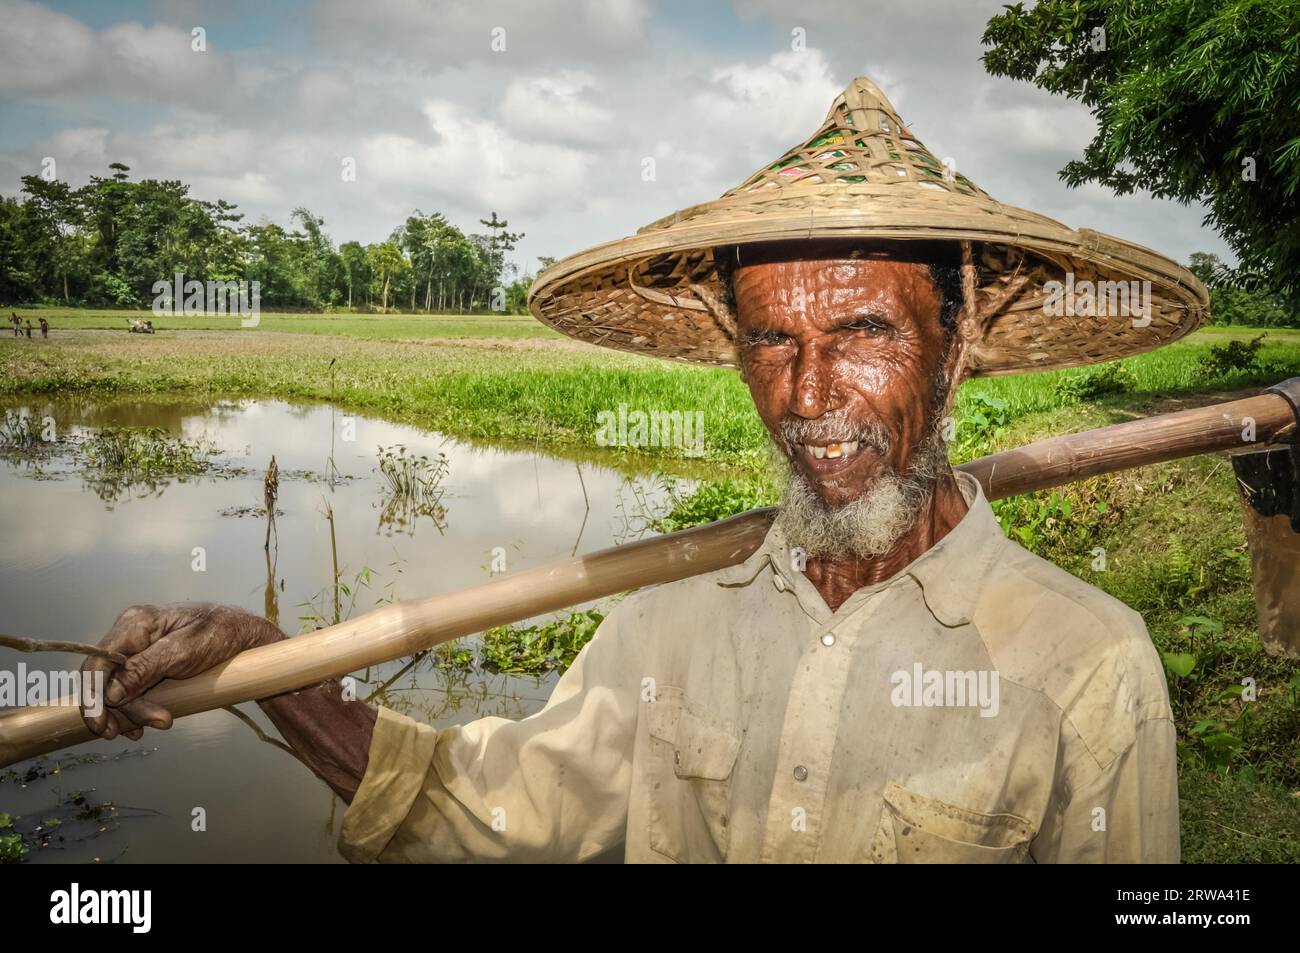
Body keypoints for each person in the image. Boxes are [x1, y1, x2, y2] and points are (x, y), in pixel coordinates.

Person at [79, 77, 1204, 863]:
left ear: (955, 351)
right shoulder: (665, 630)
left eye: (864, 330)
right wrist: (281, 668)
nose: (809, 396)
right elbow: (488, 814)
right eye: (772, 339)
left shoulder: (1086, 662)